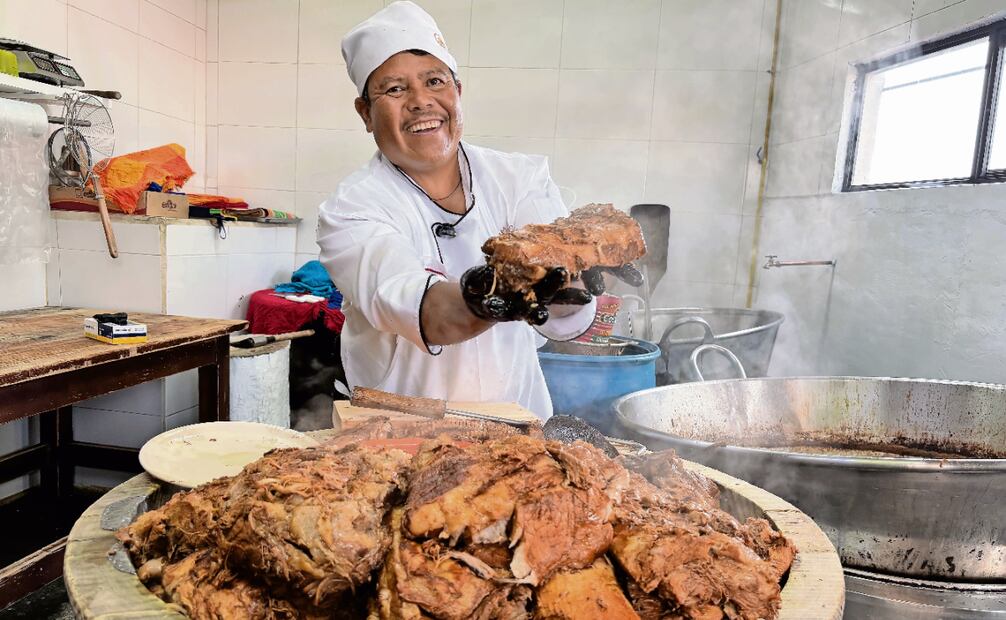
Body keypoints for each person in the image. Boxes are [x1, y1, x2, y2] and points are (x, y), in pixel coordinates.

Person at [317, 1, 641, 419]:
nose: (420, 101)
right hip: (402, 438)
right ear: (365, 112)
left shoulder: (519, 177)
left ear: (458, 92)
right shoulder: (353, 208)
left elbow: (558, 316)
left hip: (520, 430)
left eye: (435, 81)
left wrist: (569, 285)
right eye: (395, 89)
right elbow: (425, 312)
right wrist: (494, 292)